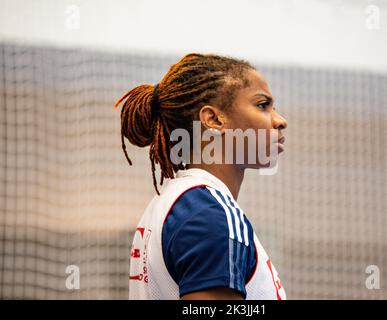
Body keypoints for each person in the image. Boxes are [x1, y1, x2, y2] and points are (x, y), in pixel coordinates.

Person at [114, 53, 288, 300]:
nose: (281, 121)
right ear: (214, 119)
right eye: (262, 105)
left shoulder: (178, 203)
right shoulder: (210, 215)